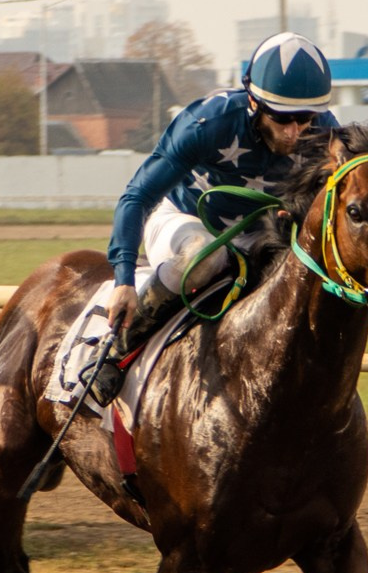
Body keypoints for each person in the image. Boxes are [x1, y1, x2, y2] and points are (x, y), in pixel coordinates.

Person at [89, 32, 339, 402]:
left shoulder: (325, 132)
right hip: (185, 220)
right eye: (284, 118)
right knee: (205, 256)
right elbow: (138, 195)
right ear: (254, 101)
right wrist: (123, 278)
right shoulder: (208, 122)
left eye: (305, 118)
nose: (295, 132)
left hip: (259, 234)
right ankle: (116, 350)